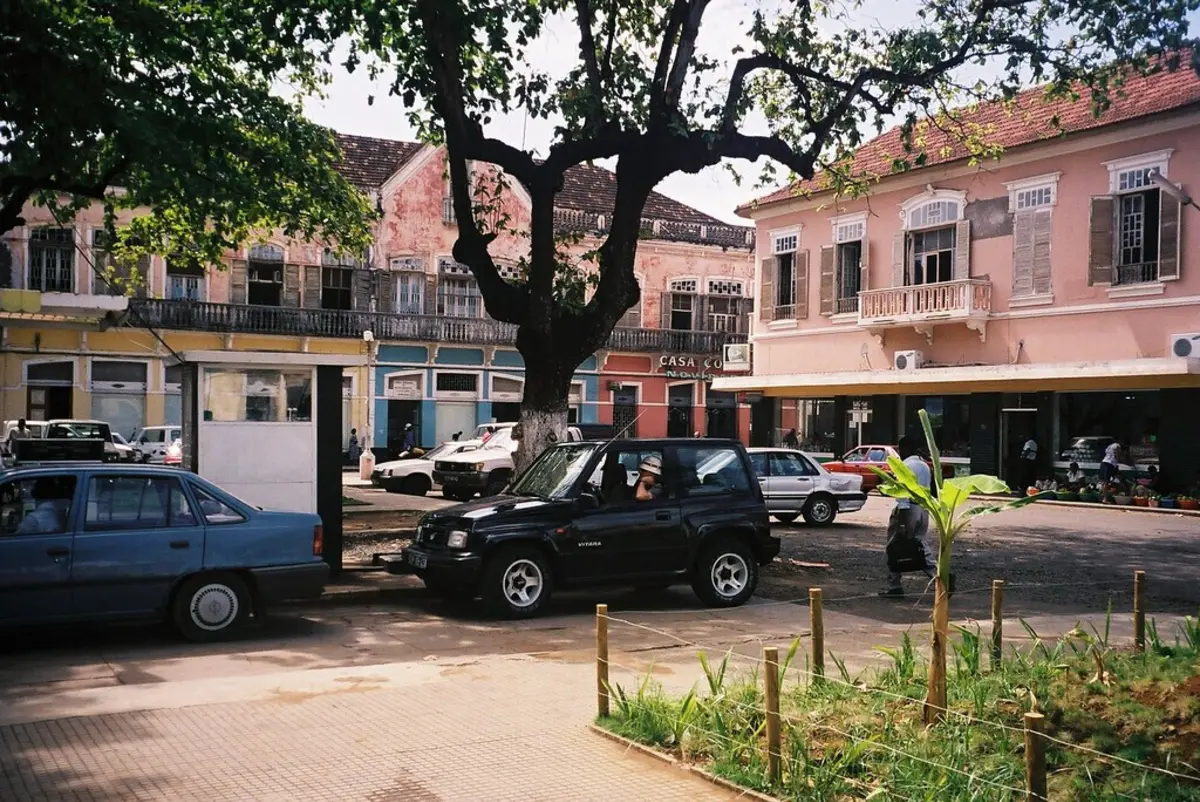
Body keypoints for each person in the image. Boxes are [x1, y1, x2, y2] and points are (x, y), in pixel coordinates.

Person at [880, 435, 941, 598]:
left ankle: (894, 585)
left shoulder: (905, 466)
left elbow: (903, 496)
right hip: (923, 509)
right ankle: (939, 577)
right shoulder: (924, 465)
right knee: (920, 545)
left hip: (908, 510)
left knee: (893, 546)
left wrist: (903, 521)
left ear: (905, 449)